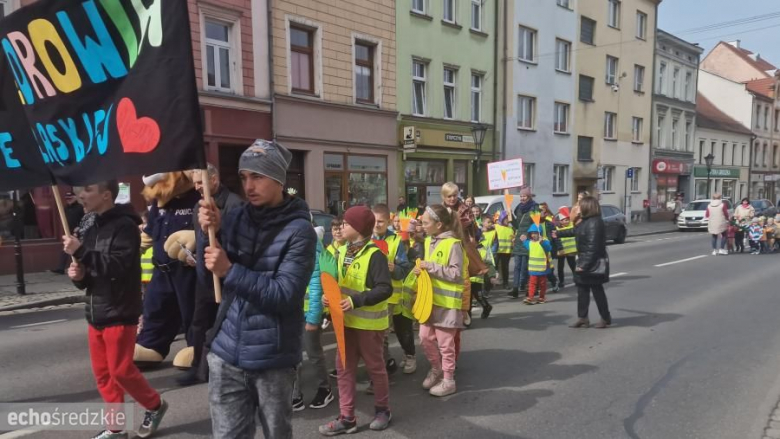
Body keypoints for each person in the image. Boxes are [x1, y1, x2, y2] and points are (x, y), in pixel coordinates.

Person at [198, 140, 317, 439]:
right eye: (244, 177)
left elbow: (284, 294)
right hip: (226, 354)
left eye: (257, 176)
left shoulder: (300, 231)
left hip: (272, 359)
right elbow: (206, 280)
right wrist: (206, 236)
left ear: (278, 180)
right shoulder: (236, 217)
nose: (248, 185)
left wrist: (230, 270)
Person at [64, 181, 167, 439]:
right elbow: (90, 277)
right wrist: (78, 275)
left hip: (120, 310)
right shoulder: (88, 226)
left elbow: (117, 267)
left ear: (106, 195)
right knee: (103, 376)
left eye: (87, 190)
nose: (81, 195)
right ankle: (116, 429)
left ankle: (154, 405)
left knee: (121, 371)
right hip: (95, 311)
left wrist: (82, 253)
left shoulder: (125, 227)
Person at [319, 206, 394, 435]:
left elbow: (385, 289)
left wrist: (354, 301)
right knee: (343, 370)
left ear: (359, 229)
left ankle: (383, 411)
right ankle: (347, 417)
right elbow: (336, 283)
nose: (342, 227)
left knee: (376, 369)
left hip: (369, 326)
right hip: (345, 325)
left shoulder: (375, 255)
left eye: (347, 224)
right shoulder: (341, 252)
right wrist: (328, 297)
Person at [177, 164, 243, 386]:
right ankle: (199, 368)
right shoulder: (198, 207)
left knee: (223, 324)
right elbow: (200, 238)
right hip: (204, 277)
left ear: (214, 180)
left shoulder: (234, 204)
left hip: (226, 276)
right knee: (199, 323)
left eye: (199, 182)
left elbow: (238, 242)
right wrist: (193, 254)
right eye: (194, 182)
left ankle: (220, 369)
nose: (196, 187)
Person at [414, 205, 466, 397]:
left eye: (426, 223)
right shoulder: (429, 241)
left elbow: (456, 274)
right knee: (425, 338)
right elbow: (430, 270)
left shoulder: (453, 244)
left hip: (447, 304)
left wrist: (431, 267)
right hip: (430, 302)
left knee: (446, 345)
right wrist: (421, 270)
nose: (422, 225)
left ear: (439, 224)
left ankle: (448, 380)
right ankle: (436, 369)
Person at [372, 204, 416, 376]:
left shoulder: (395, 241)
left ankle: (407, 356)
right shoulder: (366, 238)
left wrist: (394, 269)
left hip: (391, 296)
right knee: (377, 334)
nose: (377, 225)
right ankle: (387, 361)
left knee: (392, 330)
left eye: (381, 221)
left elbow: (405, 269)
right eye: (374, 221)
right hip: (372, 295)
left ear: (388, 221)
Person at [555, 196, 612, 329]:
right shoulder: (586, 221)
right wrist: (558, 234)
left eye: (580, 205)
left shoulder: (595, 223)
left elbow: (593, 247)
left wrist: (584, 265)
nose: (578, 207)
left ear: (588, 207)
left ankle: (605, 318)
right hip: (585, 261)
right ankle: (583, 318)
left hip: (593, 264)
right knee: (582, 291)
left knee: (597, 291)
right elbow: (575, 231)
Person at [293, 236, 335, 411]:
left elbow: (317, 282)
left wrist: (313, 317)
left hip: (309, 311)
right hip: (291, 312)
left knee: (313, 352)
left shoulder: (310, 242)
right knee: (291, 356)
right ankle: (294, 394)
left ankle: (324, 389)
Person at [510, 187, 539, 298]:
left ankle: (529, 288)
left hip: (528, 240)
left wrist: (528, 235)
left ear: (529, 197)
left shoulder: (535, 208)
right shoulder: (519, 208)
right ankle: (515, 289)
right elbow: (517, 225)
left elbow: (536, 225)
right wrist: (510, 216)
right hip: (518, 241)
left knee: (526, 266)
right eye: (521, 196)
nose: (522, 198)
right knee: (517, 266)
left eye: (524, 196)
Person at [52, 192, 85, 274]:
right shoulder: (65, 208)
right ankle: (61, 268)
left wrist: (79, 229)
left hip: (79, 232)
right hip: (68, 232)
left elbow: (84, 220)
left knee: (78, 250)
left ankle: (82, 267)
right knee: (66, 249)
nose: (68, 200)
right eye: (67, 198)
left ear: (75, 197)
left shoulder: (80, 208)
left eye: (70, 198)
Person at [520, 224, 553, 305]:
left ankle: (542, 297)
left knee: (542, 284)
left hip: (542, 268)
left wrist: (542, 242)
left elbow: (548, 248)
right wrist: (523, 240)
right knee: (532, 283)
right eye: (532, 233)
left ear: (540, 233)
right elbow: (525, 243)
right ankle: (530, 298)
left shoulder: (545, 241)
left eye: (535, 233)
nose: (533, 235)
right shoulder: (530, 243)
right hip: (533, 269)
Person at [555, 210, 577, 288]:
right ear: (561, 221)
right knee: (560, 267)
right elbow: (556, 239)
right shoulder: (557, 228)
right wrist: (559, 248)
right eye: (565, 220)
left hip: (571, 251)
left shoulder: (572, 225)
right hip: (561, 251)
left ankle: (576, 278)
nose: (567, 221)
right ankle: (561, 281)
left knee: (573, 265)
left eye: (567, 219)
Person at [494, 212, 514, 289]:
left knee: (505, 268)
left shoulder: (511, 229)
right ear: (502, 218)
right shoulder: (496, 226)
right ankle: (491, 283)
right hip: (497, 251)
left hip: (507, 251)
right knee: (494, 267)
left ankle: (505, 283)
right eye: (506, 218)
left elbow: (513, 239)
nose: (507, 220)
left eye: (508, 218)